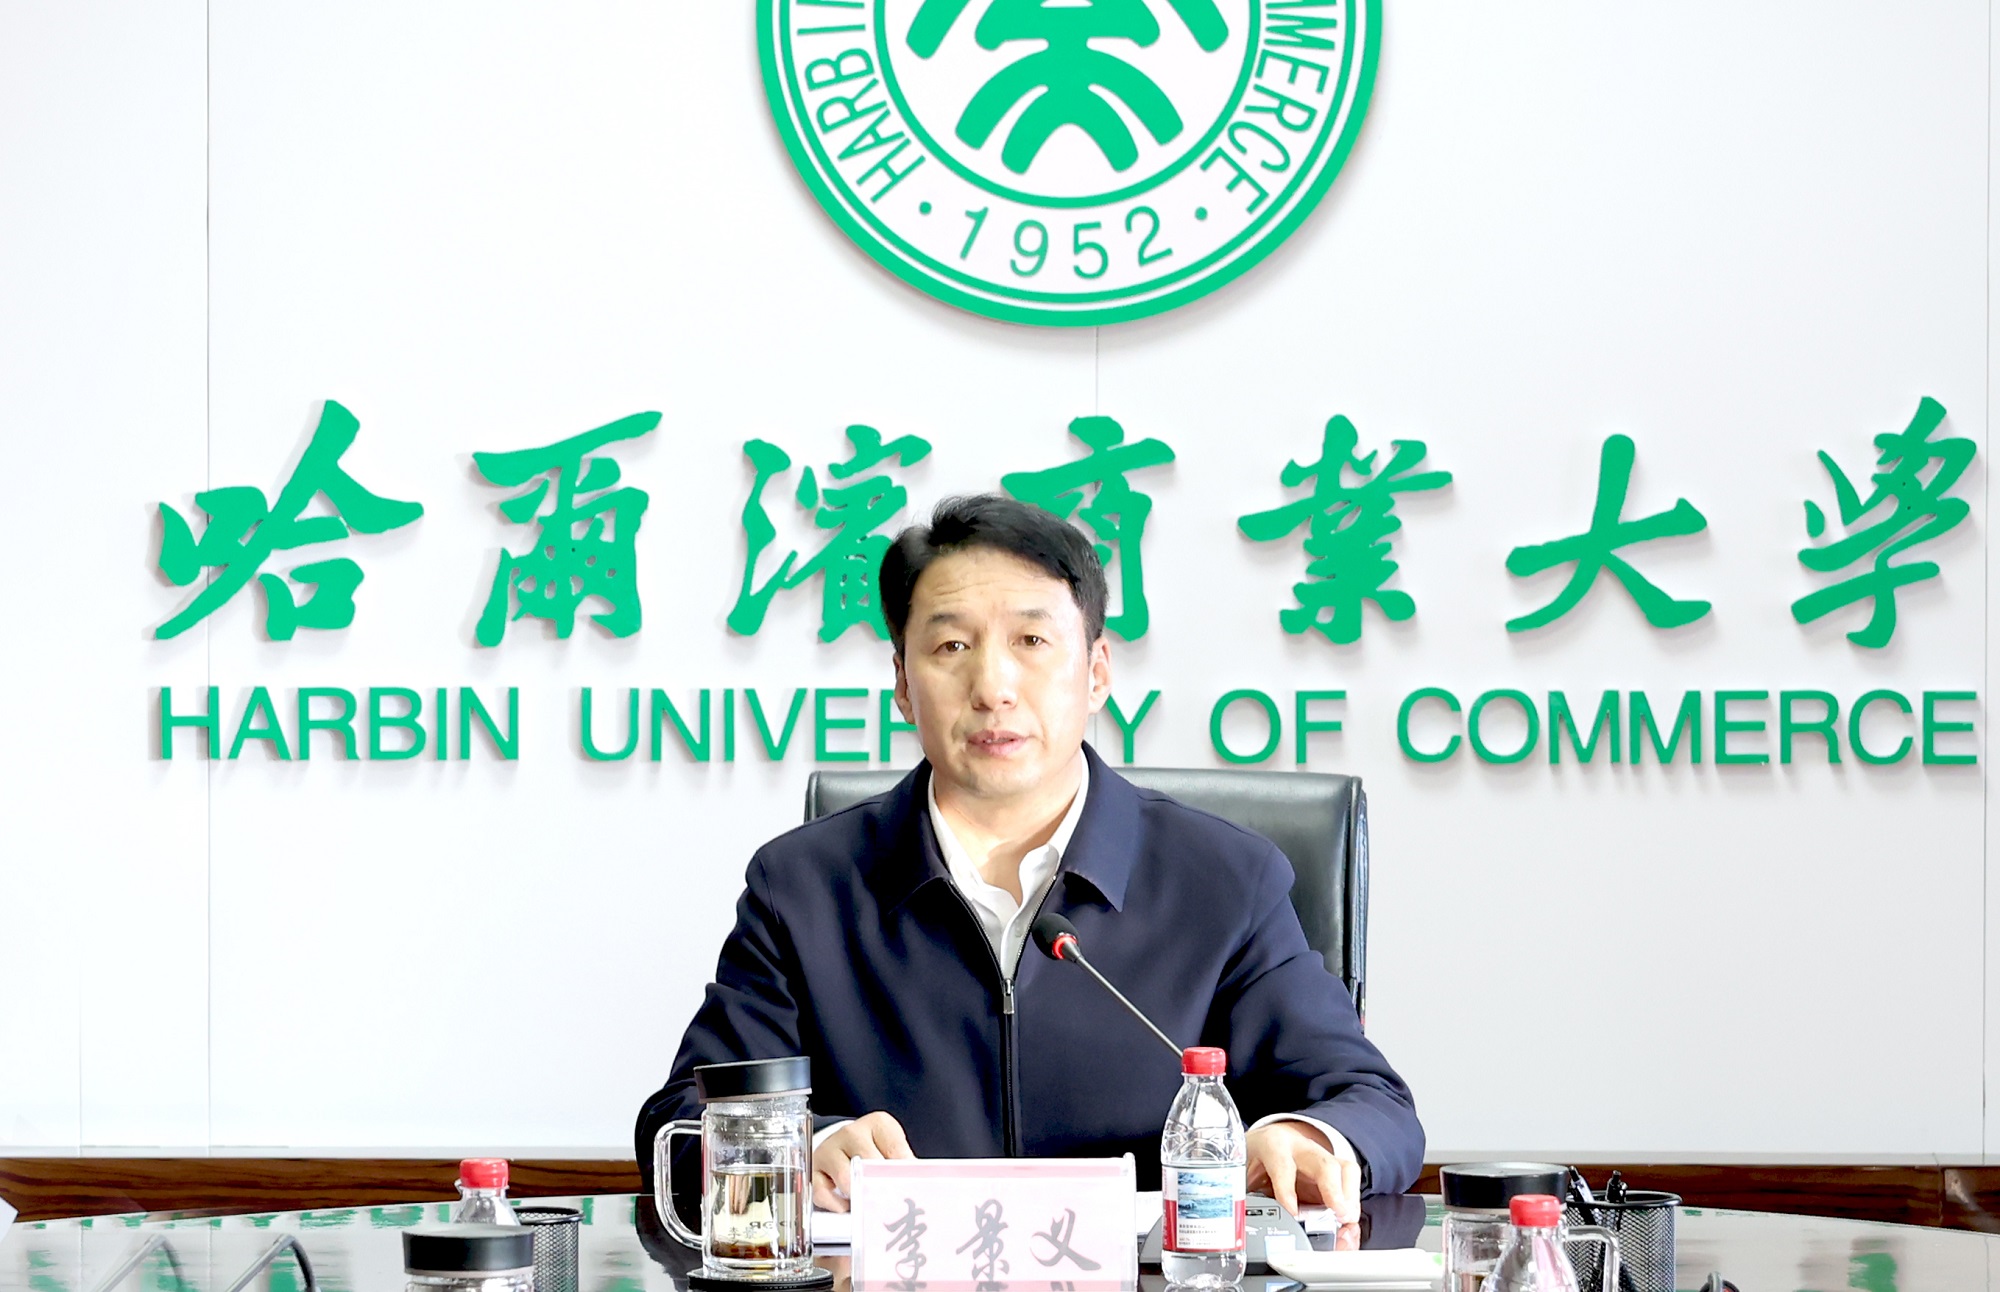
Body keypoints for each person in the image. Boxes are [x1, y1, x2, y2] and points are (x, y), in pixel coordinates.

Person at [636, 495, 1423, 1221]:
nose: (993, 687)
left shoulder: (1223, 880)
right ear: (903, 685)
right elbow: (677, 1126)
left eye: (1032, 641)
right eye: (951, 645)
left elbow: (1371, 1105)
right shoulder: (804, 887)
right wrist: (807, 1147)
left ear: (1097, 671)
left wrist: (1306, 1138)